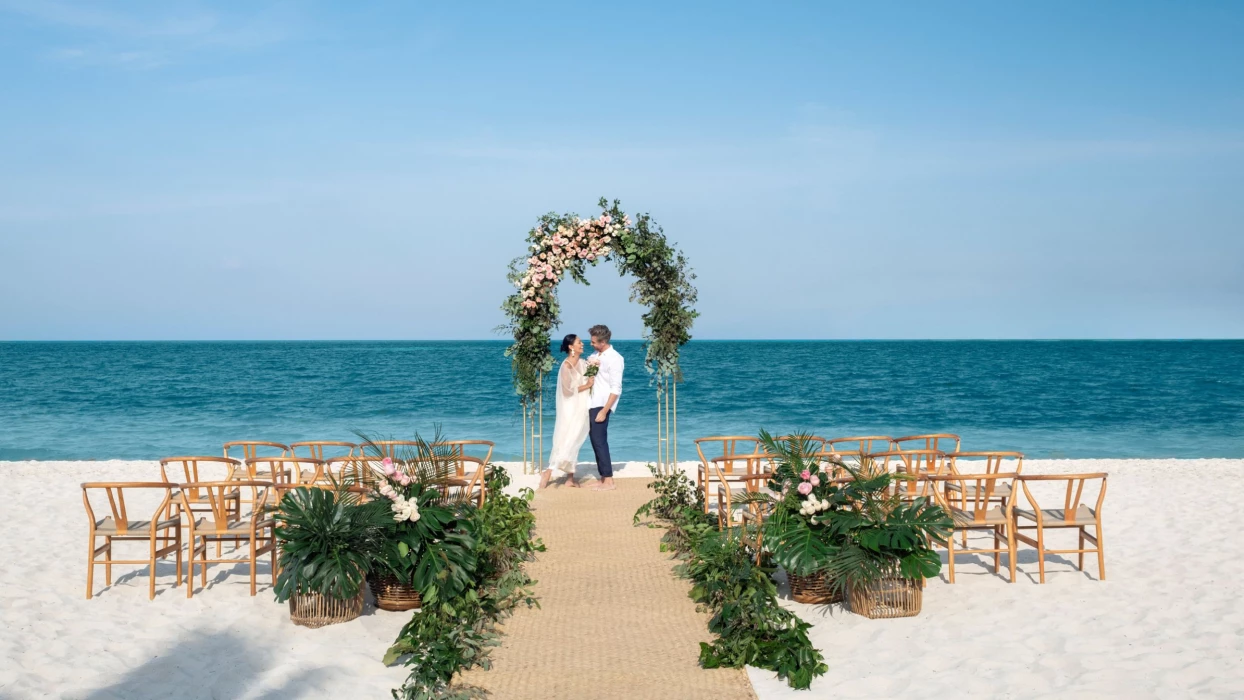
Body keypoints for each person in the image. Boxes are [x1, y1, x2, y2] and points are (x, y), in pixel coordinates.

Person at [542, 334, 593, 489]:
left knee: (575, 440)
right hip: (571, 407)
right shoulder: (566, 366)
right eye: (579, 342)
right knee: (567, 439)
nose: (582, 344)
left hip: (583, 405)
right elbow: (567, 391)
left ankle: (570, 478)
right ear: (571, 347)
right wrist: (588, 385)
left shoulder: (584, 363)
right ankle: (549, 471)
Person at [586, 324, 623, 491]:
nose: (591, 344)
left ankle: (609, 480)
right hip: (589, 402)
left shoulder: (615, 358)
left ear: (602, 341)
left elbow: (616, 388)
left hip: (601, 404)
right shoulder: (594, 355)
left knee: (600, 441)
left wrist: (605, 410)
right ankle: (602, 478)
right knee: (594, 441)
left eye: (594, 341)